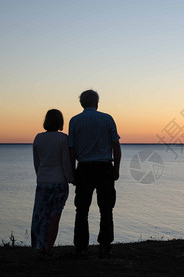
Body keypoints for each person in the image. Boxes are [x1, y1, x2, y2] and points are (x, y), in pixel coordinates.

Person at [68, 89, 121, 259]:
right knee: (106, 209)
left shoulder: (75, 121)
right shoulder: (107, 119)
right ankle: (105, 246)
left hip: (84, 168)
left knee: (81, 210)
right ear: (97, 102)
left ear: (82, 103)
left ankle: (81, 247)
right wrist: (116, 168)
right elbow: (116, 146)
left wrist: (72, 171)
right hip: (104, 167)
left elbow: (72, 150)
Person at [31, 109, 73, 258]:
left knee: (41, 216)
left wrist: (40, 176)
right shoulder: (63, 139)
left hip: (43, 182)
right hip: (58, 182)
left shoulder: (38, 138)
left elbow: (37, 162)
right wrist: (70, 178)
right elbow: (65, 161)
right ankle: (48, 248)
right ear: (60, 122)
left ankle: (39, 246)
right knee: (54, 217)